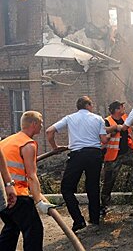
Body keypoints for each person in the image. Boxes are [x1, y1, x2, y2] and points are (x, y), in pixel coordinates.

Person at [46, 96, 110, 232]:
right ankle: (94, 219)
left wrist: (55, 147)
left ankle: (78, 220)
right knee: (93, 187)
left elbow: (49, 131)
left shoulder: (70, 118)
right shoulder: (98, 119)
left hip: (77, 155)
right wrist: (111, 134)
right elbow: (104, 140)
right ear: (88, 105)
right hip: (94, 155)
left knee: (66, 188)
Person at [0, 111, 55, 250]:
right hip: (16, 195)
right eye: (41, 123)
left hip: (2, 195)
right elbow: (31, 175)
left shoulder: (7, 141)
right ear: (33, 124)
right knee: (34, 230)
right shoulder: (28, 144)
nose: (42, 127)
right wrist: (39, 201)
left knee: (11, 228)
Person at [100, 100, 133, 216]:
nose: (124, 108)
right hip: (113, 156)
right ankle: (103, 206)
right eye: (122, 107)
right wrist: (114, 129)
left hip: (127, 153)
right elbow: (104, 138)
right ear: (116, 109)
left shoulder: (125, 118)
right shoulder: (107, 121)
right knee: (108, 182)